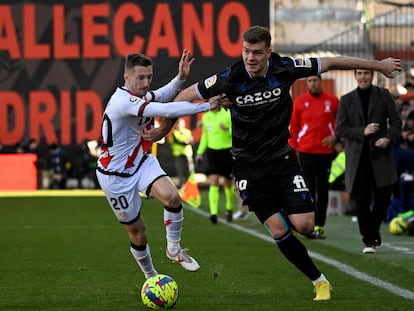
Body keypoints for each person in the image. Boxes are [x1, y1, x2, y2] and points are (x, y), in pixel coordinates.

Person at [142, 25, 402, 301]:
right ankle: (319, 281)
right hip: (248, 167)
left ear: (269, 52)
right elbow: (183, 96)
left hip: (282, 160)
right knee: (279, 229)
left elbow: (333, 61)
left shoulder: (286, 68)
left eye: (256, 53)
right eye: (245, 51)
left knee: (304, 226)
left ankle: (286, 214)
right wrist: (163, 130)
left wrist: (379, 65)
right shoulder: (229, 77)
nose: (250, 58)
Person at [95, 50, 222, 280]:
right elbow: (164, 109)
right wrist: (205, 106)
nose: (145, 83)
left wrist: (180, 78)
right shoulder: (123, 102)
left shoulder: (140, 95)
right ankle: (151, 277)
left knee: (172, 197)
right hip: (115, 176)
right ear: (126, 77)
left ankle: (174, 250)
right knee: (139, 234)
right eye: (140, 78)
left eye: (149, 77)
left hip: (141, 161)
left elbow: (160, 95)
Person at [336, 69, 402, 254]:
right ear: (355, 76)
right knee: (362, 200)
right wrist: (362, 132)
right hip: (358, 158)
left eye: (366, 73)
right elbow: (340, 128)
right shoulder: (346, 99)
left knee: (383, 195)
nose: (363, 77)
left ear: (372, 75)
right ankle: (368, 240)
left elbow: (396, 123)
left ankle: (373, 230)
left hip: (380, 155)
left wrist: (388, 138)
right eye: (359, 73)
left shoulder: (383, 95)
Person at [289, 75, 339, 239]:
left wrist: (336, 138)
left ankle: (320, 226)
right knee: (307, 189)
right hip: (306, 151)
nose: (312, 83)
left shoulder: (332, 101)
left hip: (325, 152)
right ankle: (307, 225)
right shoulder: (300, 102)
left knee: (323, 189)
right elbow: (294, 128)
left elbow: (341, 124)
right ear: (307, 83)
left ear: (320, 81)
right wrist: (293, 150)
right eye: (309, 81)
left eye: (315, 80)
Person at [195, 107, 234, 223]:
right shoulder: (206, 117)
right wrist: (199, 153)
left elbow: (236, 132)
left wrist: (227, 130)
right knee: (214, 180)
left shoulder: (228, 114)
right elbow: (205, 136)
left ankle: (229, 208)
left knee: (228, 183)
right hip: (213, 152)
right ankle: (213, 213)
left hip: (227, 151)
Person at [169, 118, 194, 188]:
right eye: (179, 124)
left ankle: (189, 186)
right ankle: (182, 186)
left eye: (182, 124)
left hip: (187, 154)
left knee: (190, 170)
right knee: (180, 172)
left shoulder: (188, 132)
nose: (180, 125)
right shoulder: (174, 133)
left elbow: (191, 141)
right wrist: (186, 142)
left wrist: (189, 141)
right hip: (178, 154)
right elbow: (178, 142)